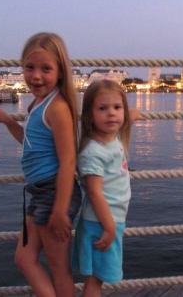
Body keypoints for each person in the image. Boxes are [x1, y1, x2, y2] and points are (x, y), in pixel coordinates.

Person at [0, 32, 82, 297]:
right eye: (30, 67)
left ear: (60, 72)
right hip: (39, 192)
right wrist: (6, 120)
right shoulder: (37, 104)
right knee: (24, 259)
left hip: (54, 193)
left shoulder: (57, 108)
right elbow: (29, 142)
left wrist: (60, 210)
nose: (36, 76)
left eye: (46, 69)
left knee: (58, 267)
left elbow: (68, 160)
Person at [72, 79, 145, 297]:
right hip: (101, 223)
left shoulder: (114, 140)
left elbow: (124, 123)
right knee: (95, 281)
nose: (111, 114)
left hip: (109, 220)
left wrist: (131, 115)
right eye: (102, 109)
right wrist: (110, 227)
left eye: (117, 108)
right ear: (89, 115)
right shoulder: (94, 152)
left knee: (98, 279)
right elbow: (94, 193)